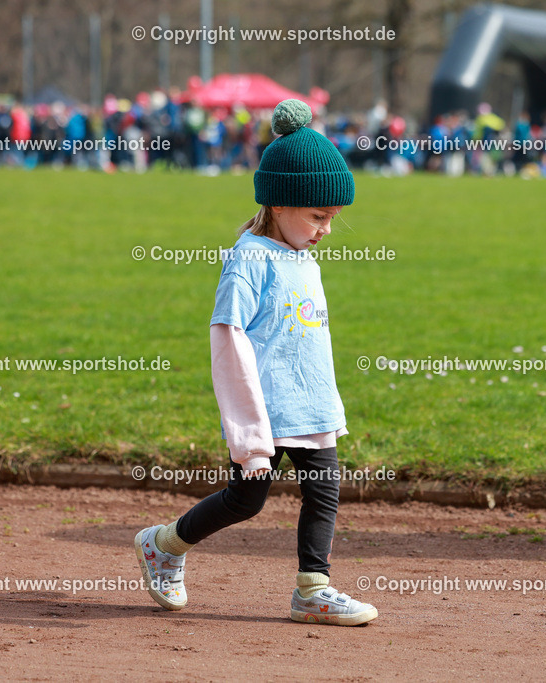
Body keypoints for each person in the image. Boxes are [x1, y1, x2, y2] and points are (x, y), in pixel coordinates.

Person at [134, 99, 378, 626]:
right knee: (246, 501)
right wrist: (249, 437)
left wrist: (327, 402)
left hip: (310, 406)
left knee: (324, 492)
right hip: (265, 411)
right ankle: (163, 544)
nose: (326, 229)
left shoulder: (303, 256)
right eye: (318, 216)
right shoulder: (249, 259)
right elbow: (229, 343)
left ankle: (313, 589)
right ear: (280, 204)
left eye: (332, 219)